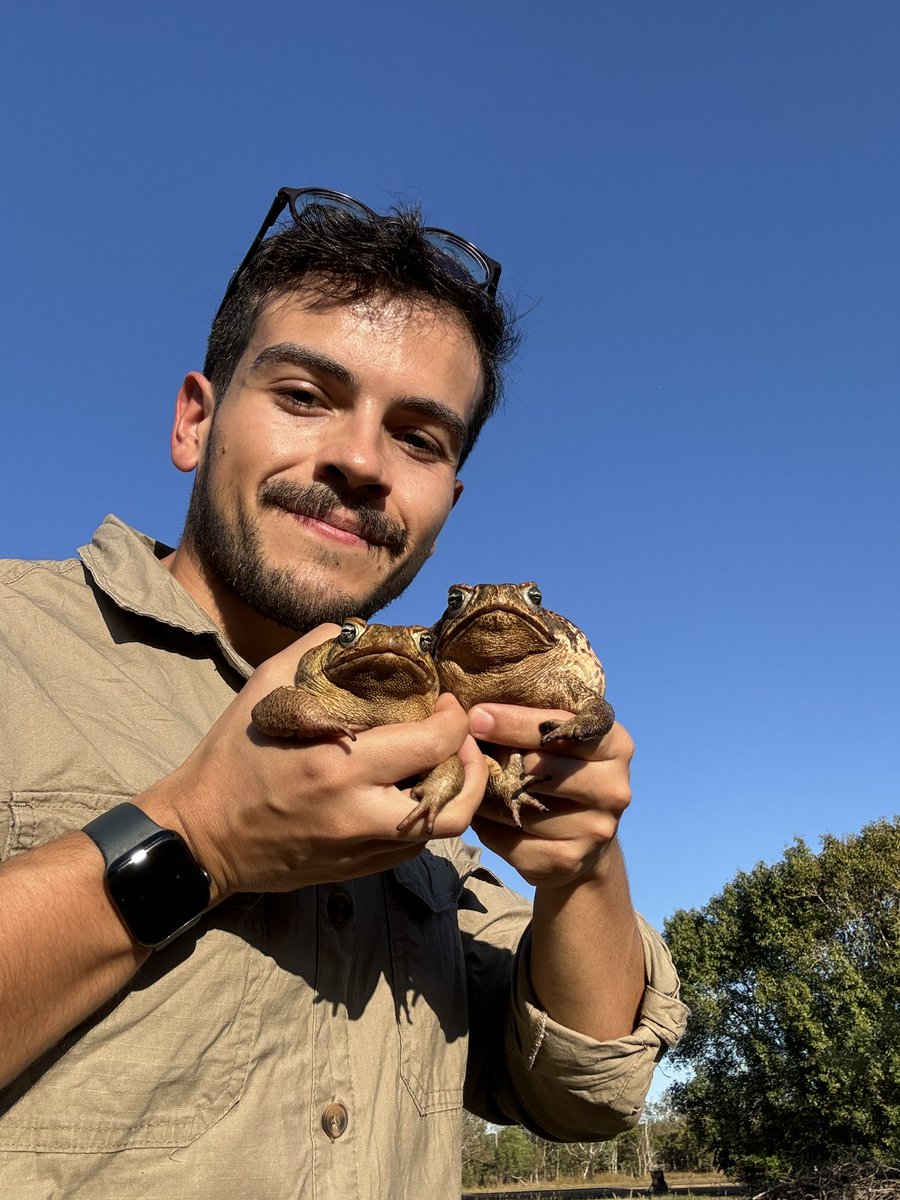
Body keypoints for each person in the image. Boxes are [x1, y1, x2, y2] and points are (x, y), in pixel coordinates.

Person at [0, 187, 687, 1198]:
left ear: (445, 503)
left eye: (420, 437)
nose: (362, 461)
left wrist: (582, 869)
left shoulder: (439, 774)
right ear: (196, 420)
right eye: (305, 396)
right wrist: (200, 839)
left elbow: (582, 1095)